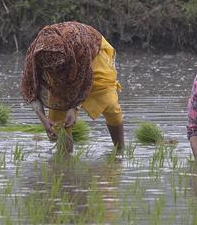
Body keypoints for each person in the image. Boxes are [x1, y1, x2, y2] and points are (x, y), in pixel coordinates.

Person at [20, 22, 124, 152]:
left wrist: (74, 107)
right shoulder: (34, 57)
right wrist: (44, 120)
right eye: (51, 70)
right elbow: (30, 90)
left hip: (93, 54)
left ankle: (120, 151)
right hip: (70, 58)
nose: (55, 72)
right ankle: (65, 161)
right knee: (58, 118)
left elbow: (84, 80)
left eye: (57, 68)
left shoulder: (79, 44)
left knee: (109, 102)